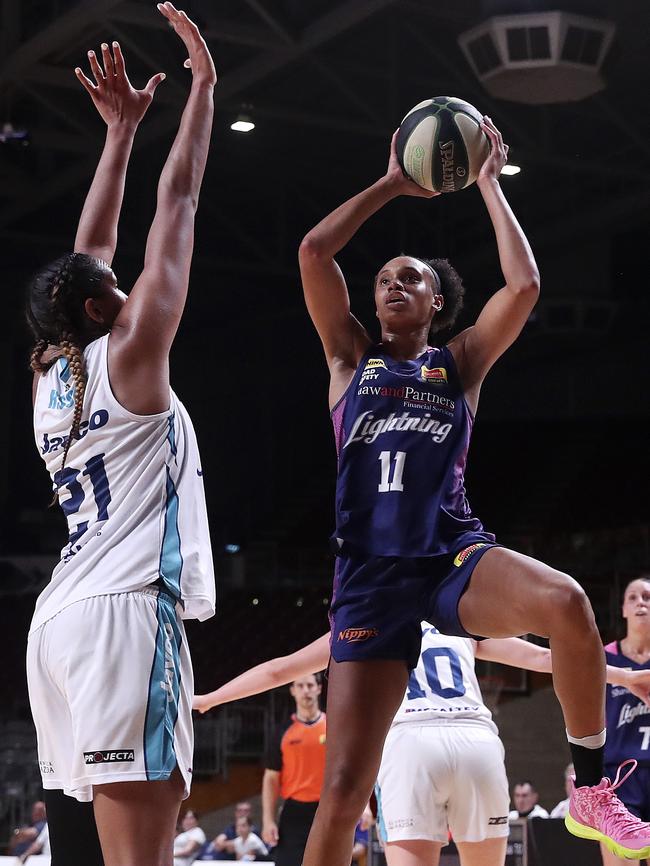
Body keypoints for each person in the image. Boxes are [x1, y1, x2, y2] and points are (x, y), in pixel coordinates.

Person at [296, 117, 650, 864]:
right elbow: (314, 251)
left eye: (412, 277)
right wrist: (392, 183)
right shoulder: (347, 360)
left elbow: (524, 285)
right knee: (345, 793)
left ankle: (590, 790)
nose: (394, 282)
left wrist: (488, 183)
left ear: (436, 304)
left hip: (450, 556)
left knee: (568, 604)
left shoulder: (459, 365)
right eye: (386, 276)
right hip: (368, 579)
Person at [24, 6, 216, 866]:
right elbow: (176, 202)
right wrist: (204, 88)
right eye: (116, 284)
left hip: (59, 622)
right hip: (125, 612)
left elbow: (89, 250)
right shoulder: (135, 355)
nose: (126, 281)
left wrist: (121, 134)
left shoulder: (52, 375)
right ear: (108, 306)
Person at [194, 628, 650, 866]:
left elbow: (279, 670)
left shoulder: (368, 623)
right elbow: (547, 659)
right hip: (476, 739)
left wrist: (210, 698)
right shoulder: (462, 623)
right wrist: (628, 677)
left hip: (410, 742)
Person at [601, 576, 650, 866]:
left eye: (646, 596)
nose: (640, 602)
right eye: (633, 597)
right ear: (623, 610)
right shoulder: (604, 658)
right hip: (619, 775)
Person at [261, 675, 326, 866]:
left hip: (327, 810)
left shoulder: (334, 727)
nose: (306, 690)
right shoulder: (282, 731)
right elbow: (271, 778)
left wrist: (363, 808)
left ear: (319, 688)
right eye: (300, 686)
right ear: (292, 691)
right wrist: (268, 820)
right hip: (294, 813)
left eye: (310, 685)